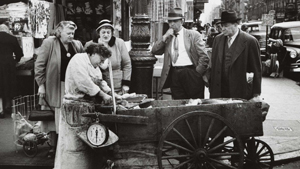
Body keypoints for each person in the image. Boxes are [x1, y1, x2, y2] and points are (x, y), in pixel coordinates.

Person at [54, 43, 117, 169]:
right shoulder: (78, 60)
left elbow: (100, 81)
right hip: (74, 109)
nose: (101, 63)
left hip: (85, 108)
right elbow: (84, 82)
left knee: (86, 145)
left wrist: (112, 94)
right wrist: (103, 95)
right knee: (73, 146)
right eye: (101, 59)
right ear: (93, 53)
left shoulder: (94, 66)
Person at [35, 21, 84, 158]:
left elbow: (83, 62)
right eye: (68, 32)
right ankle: (54, 147)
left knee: (70, 116)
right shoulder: (49, 43)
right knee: (56, 116)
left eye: (73, 33)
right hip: (56, 86)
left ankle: (69, 145)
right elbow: (39, 65)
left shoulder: (77, 45)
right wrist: (41, 84)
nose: (71, 35)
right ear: (59, 32)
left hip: (72, 87)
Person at [151, 8, 210, 99]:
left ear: (182, 21)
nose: (171, 24)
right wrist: (164, 37)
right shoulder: (168, 37)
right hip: (175, 74)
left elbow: (204, 56)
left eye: (175, 21)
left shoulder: (193, 35)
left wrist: (197, 73)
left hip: (191, 72)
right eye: (170, 22)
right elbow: (155, 51)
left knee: (195, 103)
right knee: (179, 103)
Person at [209, 10, 262, 100]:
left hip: (240, 90)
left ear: (235, 24)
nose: (223, 29)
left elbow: (256, 69)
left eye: (226, 26)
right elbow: (213, 65)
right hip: (220, 90)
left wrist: (256, 94)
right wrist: (212, 86)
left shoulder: (250, 41)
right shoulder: (218, 40)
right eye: (222, 26)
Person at [85, 19, 132, 95]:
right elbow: (85, 64)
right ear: (98, 33)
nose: (106, 35)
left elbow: (127, 64)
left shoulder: (119, 43)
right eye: (103, 32)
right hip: (96, 87)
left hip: (116, 86)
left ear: (112, 33)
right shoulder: (90, 45)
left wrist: (126, 84)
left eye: (108, 32)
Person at [0, 24, 23, 118]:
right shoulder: (12, 38)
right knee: (8, 84)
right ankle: (8, 106)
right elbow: (19, 53)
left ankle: (0, 109)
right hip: (8, 64)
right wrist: (16, 61)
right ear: (7, 30)